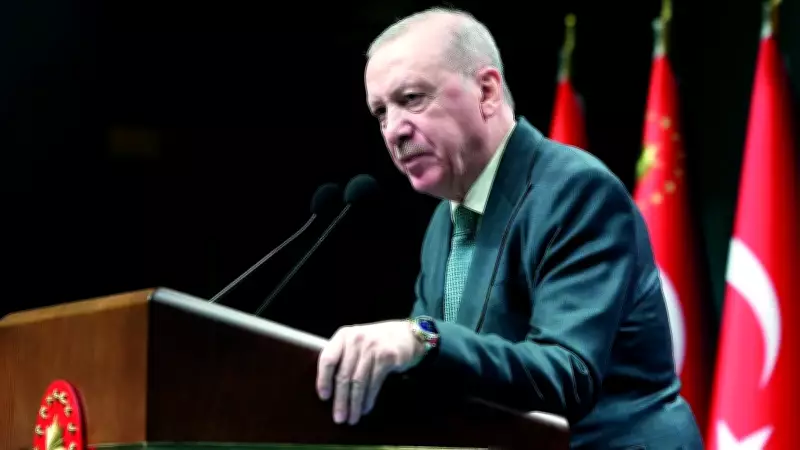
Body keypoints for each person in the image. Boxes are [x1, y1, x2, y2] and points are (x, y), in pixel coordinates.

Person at [315, 7, 703, 449]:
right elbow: (450, 374)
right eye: (381, 112)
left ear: (486, 91)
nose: (394, 131)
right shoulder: (445, 221)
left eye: (412, 98)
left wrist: (420, 338)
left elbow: (566, 374)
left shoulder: (576, 192)